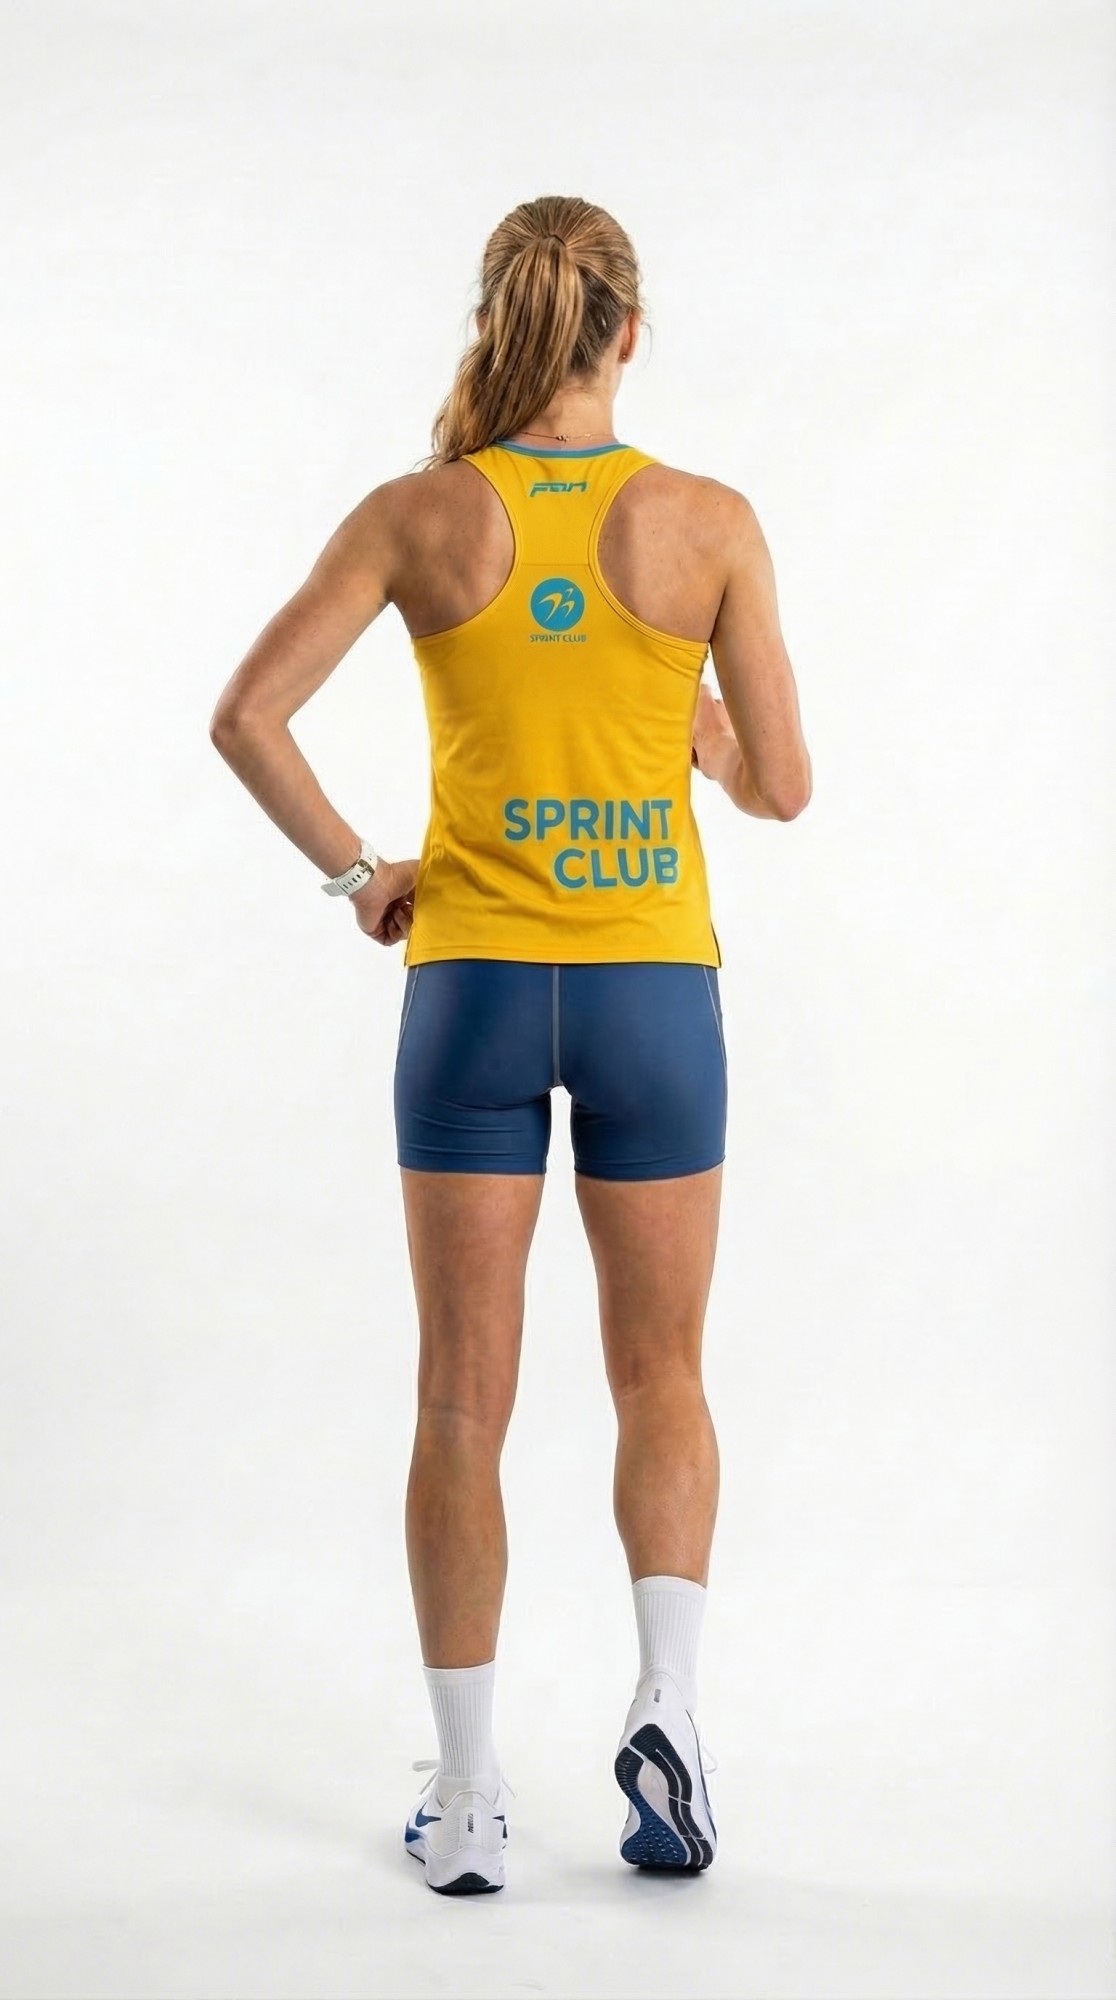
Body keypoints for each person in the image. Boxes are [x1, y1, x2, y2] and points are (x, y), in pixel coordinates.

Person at [209, 192, 811, 1897]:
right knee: (662, 1376)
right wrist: (701, 738)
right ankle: (669, 1712)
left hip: (469, 987)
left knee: (460, 1398)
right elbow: (784, 787)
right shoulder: (708, 523)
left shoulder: (420, 515)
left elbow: (245, 717)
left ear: (500, 320)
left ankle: (470, 1801)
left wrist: (361, 876)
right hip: (650, 994)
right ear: (631, 332)